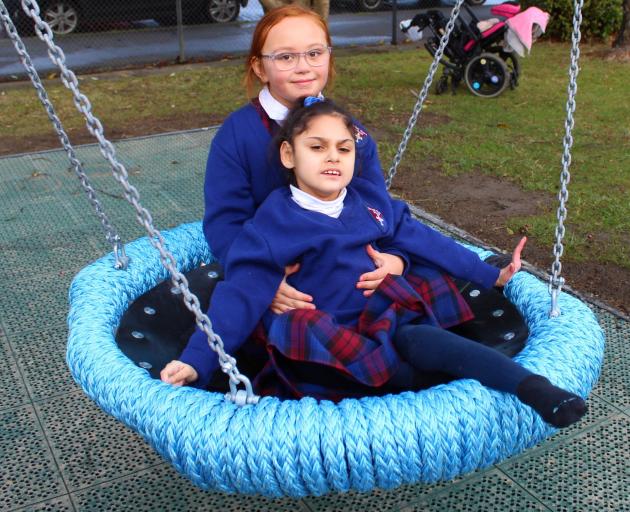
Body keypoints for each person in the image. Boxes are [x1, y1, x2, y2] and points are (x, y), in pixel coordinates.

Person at [161, 99, 587, 429]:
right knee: (303, 328)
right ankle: (413, 381)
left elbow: (425, 241)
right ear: (289, 156)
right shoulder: (272, 223)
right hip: (327, 334)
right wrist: (198, 360)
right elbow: (239, 295)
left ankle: (532, 387)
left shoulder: (370, 204)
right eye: (318, 147)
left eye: (343, 149)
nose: (333, 157)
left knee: (418, 321)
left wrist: (489, 274)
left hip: (378, 316)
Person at [201, 5, 406, 317]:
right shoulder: (237, 135)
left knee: (420, 309)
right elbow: (225, 222)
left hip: (353, 270)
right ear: (259, 67)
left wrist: (395, 258)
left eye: (314, 53)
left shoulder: (347, 131)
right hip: (283, 278)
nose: (304, 67)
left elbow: (378, 206)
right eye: (285, 57)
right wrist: (259, 281)